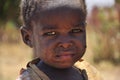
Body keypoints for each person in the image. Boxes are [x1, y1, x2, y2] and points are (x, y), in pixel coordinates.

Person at [17, 0, 102, 80]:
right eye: (51, 33)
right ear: (28, 37)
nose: (66, 43)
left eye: (75, 30)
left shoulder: (90, 73)